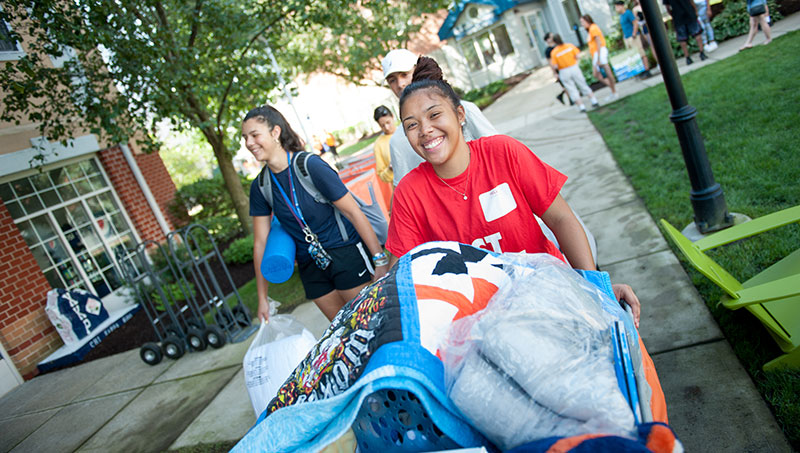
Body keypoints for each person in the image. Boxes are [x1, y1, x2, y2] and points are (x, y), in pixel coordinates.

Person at [384, 57, 642, 327]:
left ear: (461, 115)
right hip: (479, 327)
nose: (425, 130)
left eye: (434, 115)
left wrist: (596, 290)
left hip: (555, 299)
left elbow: (561, 219)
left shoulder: (504, 153)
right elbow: (401, 277)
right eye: (411, 125)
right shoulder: (409, 193)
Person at [244, 105, 389, 322]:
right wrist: (263, 297)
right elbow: (260, 243)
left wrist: (379, 259)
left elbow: (352, 212)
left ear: (275, 132)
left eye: (255, 135)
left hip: (345, 254)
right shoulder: (260, 186)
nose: (249, 143)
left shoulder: (310, 165)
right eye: (245, 137)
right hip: (311, 268)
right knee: (344, 334)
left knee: (370, 324)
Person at [381, 48, 497, 187]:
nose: (400, 84)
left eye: (404, 74)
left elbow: (496, 152)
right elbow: (401, 189)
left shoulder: (465, 110)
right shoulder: (397, 141)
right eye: (392, 80)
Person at [548, 34, 600, 113]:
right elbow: (577, 56)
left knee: (571, 89)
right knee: (582, 84)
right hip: (574, 67)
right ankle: (594, 101)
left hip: (564, 71)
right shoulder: (569, 46)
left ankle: (581, 107)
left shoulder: (554, 52)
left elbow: (555, 66)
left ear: (554, 42)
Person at [580, 15, 618, 102]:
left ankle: (614, 90)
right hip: (596, 53)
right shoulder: (590, 30)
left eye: (582, 22)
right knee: (596, 74)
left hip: (599, 52)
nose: (582, 24)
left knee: (606, 71)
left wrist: (598, 58)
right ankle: (613, 89)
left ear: (587, 20)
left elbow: (598, 42)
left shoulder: (593, 28)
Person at [663, 0, 708, 65]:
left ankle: (687, 57)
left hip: (678, 17)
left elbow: (668, 7)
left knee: (682, 39)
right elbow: (691, 1)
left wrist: (673, 15)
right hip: (689, 12)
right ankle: (702, 53)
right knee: (697, 33)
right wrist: (695, 10)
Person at [615, 1, 652, 78]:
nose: (616, 9)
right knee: (634, 56)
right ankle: (640, 71)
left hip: (633, 37)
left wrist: (634, 34)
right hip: (627, 38)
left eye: (617, 6)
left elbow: (635, 23)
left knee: (641, 53)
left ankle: (647, 70)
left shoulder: (628, 13)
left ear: (621, 6)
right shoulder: (621, 16)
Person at [543, 32, 571, 105]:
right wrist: (555, 72)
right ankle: (571, 100)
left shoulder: (558, 46)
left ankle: (561, 96)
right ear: (548, 40)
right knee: (564, 85)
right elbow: (550, 63)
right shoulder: (548, 51)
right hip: (558, 69)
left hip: (565, 66)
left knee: (568, 83)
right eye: (551, 36)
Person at [372, 105, 395, 185]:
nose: (387, 127)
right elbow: (382, 175)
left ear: (392, 116)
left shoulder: (406, 132)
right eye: (382, 125)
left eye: (388, 122)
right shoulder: (378, 145)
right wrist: (390, 169)